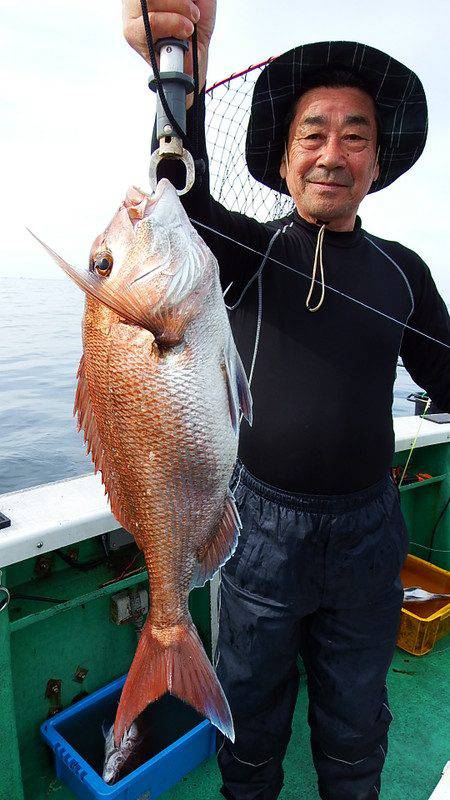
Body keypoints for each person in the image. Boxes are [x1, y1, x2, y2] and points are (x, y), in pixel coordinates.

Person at [122, 3, 450, 798]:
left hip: (370, 539)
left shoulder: (404, 271)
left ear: (377, 161)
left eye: (355, 135)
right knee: (252, 724)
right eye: (314, 133)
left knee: (354, 726)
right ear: (286, 155)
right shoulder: (242, 252)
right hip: (258, 532)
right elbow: (181, 198)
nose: (332, 154)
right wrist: (176, 72)